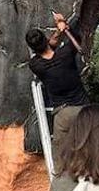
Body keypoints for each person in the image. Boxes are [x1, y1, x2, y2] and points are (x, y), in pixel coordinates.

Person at [27, 12, 90, 161]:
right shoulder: (66, 53)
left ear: (32, 49)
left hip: (63, 114)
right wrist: (64, 27)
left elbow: (48, 46)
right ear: (45, 40)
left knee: (62, 158)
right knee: (90, 151)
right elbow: (76, 39)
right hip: (84, 110)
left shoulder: (36, 66)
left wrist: (58, 31)